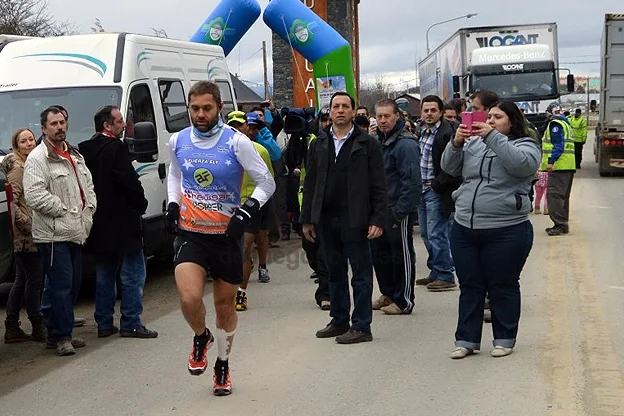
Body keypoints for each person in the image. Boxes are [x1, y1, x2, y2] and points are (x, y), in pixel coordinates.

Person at [165, 81, 275, 396]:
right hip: (192, 233)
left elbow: (266, 181)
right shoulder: (177, 141)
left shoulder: (237, 142)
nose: (200, 115)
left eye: (207, 108)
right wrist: (173, 204)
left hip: (226, 237)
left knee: (224, 306)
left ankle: (223, 364)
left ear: (219, 108)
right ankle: (201, 336)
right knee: (188, 298)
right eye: (195, 109)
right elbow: (175, 174)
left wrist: (247, 211)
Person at [442, 100, 540, 359]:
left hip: (507, 228)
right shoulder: (474, 143)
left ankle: (504, 338)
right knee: (470, 285)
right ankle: (466, 340)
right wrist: (456, 143)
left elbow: (521, 165)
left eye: (497, 117)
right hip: (466, 225)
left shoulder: (525, 144)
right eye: (489, 117)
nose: (491, 121)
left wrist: (493, 136)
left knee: (502, 285)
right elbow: (449, 168)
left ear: (511, 121)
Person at [301, 92, 387, 344]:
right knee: (334, 271)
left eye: (345, 106)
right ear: (329, 111)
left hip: (356, 218)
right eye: (335, 106)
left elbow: (379, 184)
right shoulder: (319, 143)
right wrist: (308, 218)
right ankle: (339, 320)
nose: (340, 110)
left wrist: (378, 219)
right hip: (327, 218)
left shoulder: (367, 144)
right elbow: (311, 181)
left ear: (353, 112)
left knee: (360, 273)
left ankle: (361, 325)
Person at [78, 105, 158, 339]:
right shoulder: (117, 148)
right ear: (107, 126)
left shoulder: (85, 150)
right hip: (124, 222)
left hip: (99, 222)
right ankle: (131, 321)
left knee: (104, 273)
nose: (125, 125)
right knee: (133, 273)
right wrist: (141, 202)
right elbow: (128, 181)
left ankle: (104, 322)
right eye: (120, 121)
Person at [23, 106, 97, 356]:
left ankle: (56, 332)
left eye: (62, 122)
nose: (59, 127)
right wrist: (63, 209)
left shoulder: (74, 154)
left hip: (76, 230)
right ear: (43, 128)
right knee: (61, 286)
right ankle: (62, 336)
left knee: (73, 285)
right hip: (53, 234)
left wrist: (89, 208)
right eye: (53, 124)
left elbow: (87, 184)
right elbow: (33, 195)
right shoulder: (38, 158)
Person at [369, 99, 421, 315]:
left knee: (400, 254)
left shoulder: (406, 144)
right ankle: (388, 293)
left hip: (397, 209)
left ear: (397, 116)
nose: (382, 120)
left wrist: (401, 212)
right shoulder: (375, 142)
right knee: (379, 254)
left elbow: (412, 182)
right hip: (378, 210)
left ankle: (404, 300)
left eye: (386, 116)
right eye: (379, 116)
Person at [225, 110, 275, 312]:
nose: (237, 130)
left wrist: (255, 202)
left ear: (247, 127)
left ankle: (241, 293)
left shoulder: (259, 150)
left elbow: (268, 180)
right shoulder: (221, 150)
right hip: (226, 206)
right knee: (232, 250)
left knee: (245, 248)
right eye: (232, 126)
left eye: (240, 125)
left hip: (251, 205)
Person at [2, 128, 45, 344]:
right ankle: (37, 324)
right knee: (34, 279)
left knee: (22, 279)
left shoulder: (30, 164)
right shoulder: (18, 169)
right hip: (26, 236)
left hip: (27, 232)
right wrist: (28, 224)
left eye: (31, 139)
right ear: (16, 145)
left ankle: (12, 325)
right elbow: (12, 202)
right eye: (24, 141)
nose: (29, 143)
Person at [415, 95, 461, 292]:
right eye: (425, 110)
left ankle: (445, 274)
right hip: (422, 189)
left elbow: (452, 166)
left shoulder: (445, 133)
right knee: (426, 233)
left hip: (436, 189)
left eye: (433, 110)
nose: (429, 114)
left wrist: (437, 185)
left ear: (441, 112)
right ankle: (435, 270)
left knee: (437, 233)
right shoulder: (422, 132)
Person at [542, 103, 575, 236]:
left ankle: (559, 224)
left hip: (559, 166)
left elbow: (558, 145)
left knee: (554, 195)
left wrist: (551, 161)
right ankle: (563, 224)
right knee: (562, 197)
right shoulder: (566, 123)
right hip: (568, 165)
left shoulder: (555, 124)